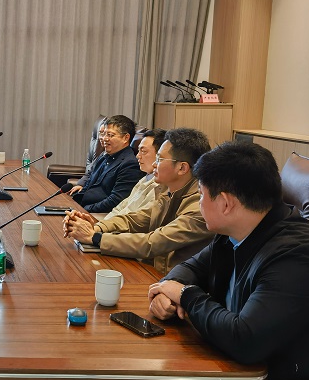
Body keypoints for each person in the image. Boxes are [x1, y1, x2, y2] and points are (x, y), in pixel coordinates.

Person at [146, 140, 309, 380]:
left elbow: (246, 339)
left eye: (201, 195)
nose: (199, 203)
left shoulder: (301, 253)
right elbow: (190, 268)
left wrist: (184, 296)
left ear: (225, 203)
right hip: (237, 372)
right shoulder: (238, 230)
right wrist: (166, 293)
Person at [64, 128, 212, 275]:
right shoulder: (167, 191)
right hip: (151, 270)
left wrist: (95, 237)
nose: (154, 164)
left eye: (160, 159)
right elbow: (135, 219)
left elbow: (152, 243)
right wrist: (96, 227)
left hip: (172, 280)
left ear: (182, 168)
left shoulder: (201, 207)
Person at [69, 115, 143, 213]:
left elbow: (115, 201)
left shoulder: (130, 164)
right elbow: (89, 184)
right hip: (83, 207)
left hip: (97, 213)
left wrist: (85, 209)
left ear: (126, 138)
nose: (104, 138)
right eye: (104, 134)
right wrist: (74, 203)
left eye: (110, 135)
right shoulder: (104, 156)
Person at [103, 128, 167, 219]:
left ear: (160, 155)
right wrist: (102, 223)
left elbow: (137, 220)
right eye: (138, 150)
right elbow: (120, 207)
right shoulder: (145, 178)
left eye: (143, 151)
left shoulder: (160, 186)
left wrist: (103, 226)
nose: (138, 156)